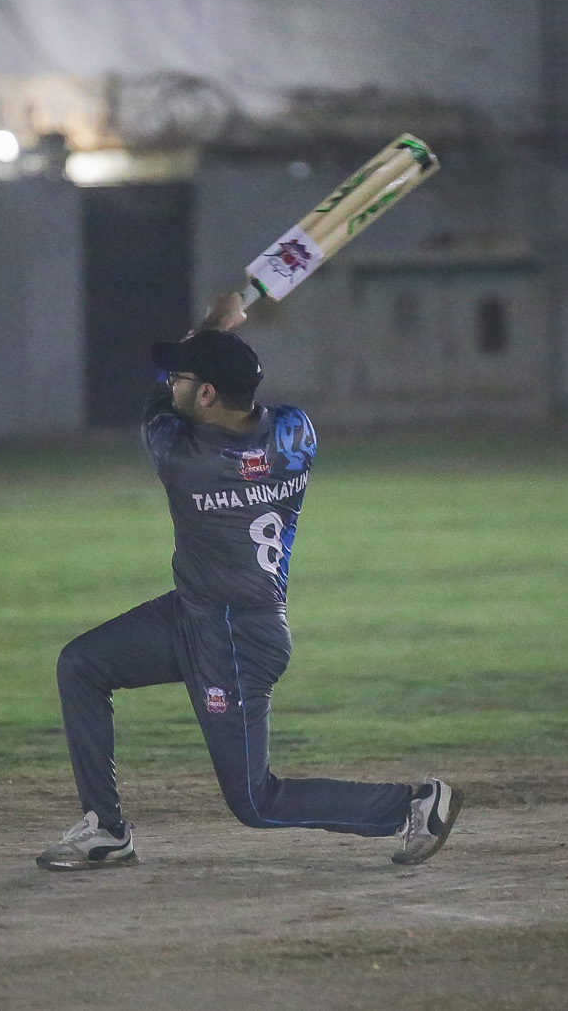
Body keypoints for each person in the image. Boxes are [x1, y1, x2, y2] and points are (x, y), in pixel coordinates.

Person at [36, 292, 462, 871]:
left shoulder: (182, 455)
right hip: (195, 613)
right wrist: (213, 344)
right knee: (81, 665)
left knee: (256, 801)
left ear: (208, 395)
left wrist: (211, 324)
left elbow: (157, 401)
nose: (173, 382)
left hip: (237, 640)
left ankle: (411, 805)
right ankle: (106, 829)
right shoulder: (296, 432)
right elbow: (221, 405)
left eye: (184, 378)